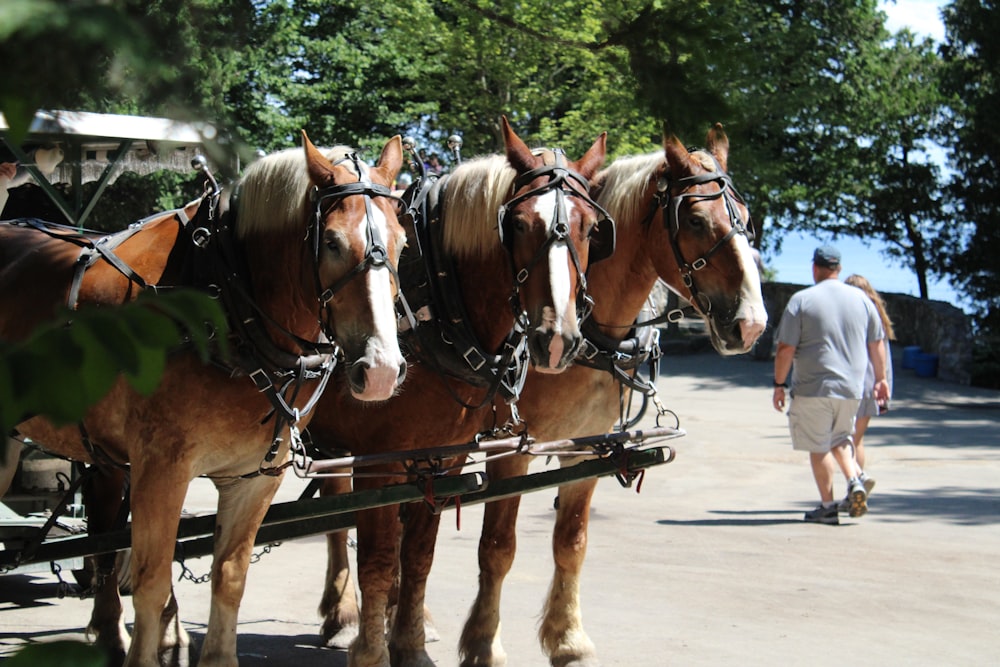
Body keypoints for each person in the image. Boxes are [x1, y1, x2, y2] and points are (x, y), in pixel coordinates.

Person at [772, 245, 889, 525]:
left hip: (814, 387)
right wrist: (881, 379)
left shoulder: (802, 300)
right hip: (852, 389)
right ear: (838, 268)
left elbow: (786, 348)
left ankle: (827, 506)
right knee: (841, 438)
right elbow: (877, 343)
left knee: (819, 445)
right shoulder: (862, 300)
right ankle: (855, 478)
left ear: (815, 268)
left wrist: (779, 383)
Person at [839, 274, 895, 510]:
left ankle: (858, 479)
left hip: (854, 384)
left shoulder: (852, 316)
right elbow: (885, 358)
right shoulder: (879, 318)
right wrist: (885, 386)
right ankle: (855, 491)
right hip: (875, 385)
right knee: (857, 441)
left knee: (842, 440)